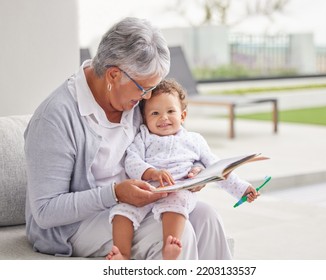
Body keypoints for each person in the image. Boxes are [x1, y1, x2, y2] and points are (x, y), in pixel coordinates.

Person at [23, 17, 245, 259]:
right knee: (176, 238)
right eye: (144, 88)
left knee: (207, 218)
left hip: (137, 203)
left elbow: (165, 146)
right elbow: (45, 211)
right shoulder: (55, 118)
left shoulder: (132, 103)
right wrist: (116, 193)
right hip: (75, 224)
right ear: (114, 75)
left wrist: (196, 171)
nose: (148, 97)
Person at [106, 79, 259, 260]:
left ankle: (170, 247)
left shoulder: (194, 140)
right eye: (155, 113)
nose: (164, 118)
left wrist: (242, 189)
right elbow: (132, 161)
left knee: (175, 204)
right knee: (122, 211)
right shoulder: (143, 138)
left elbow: (217, 167)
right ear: (145, 119)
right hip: (146, 189)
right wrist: (151, 172)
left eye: (171, 111)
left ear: (183, 116)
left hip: (178, 188)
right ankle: (122, 253)